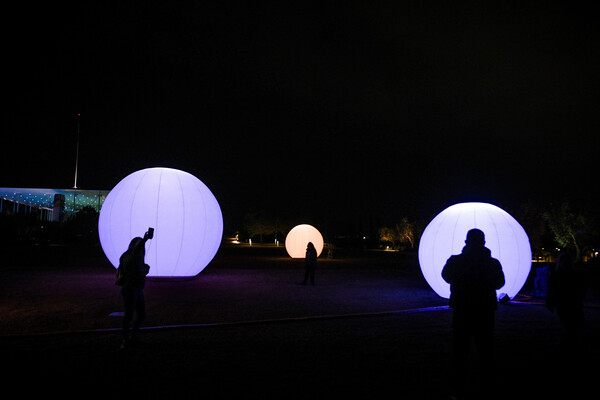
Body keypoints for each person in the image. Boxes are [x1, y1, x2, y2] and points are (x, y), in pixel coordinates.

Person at [441, 229, 505, 397]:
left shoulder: (455, 261)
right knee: (485, 351)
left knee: (460, 351)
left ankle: (458, 386)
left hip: (462, 310)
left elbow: (445, 276)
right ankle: (487, 385)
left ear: (466, 242)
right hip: (485, 312)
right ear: (483, 242)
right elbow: (500, 282)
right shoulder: (493, 263)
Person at [118, 230, 152, 349]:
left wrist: (143, 271)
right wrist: (144, 239)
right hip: (130, 289)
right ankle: (125, 340)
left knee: (141, 315)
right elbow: (135, 252)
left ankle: (131, 337)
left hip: (137, 289)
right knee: (129, 315)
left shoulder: (130, 257)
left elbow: (131, 270)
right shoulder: (130, 256)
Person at [546, 251, 586, 352]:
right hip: (563, 305)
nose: (566, 265)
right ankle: (569, 345)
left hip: (573, 304)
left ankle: (571, 344)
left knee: (576, 325)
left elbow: (582, 289)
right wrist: (550, 303)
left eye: (567, 262)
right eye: (564, 262)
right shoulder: (556, 276)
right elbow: (551, 290)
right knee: (569, 325)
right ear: (560, 263)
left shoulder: (575, 276)